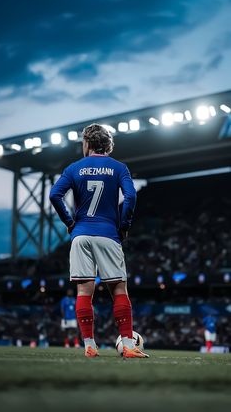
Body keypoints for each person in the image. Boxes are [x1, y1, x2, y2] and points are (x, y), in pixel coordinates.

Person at [50, 123, 149, 358]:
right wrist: (124, 226)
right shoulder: (118, 167)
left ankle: (89, 346)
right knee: (118, 288)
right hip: (108, 234)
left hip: (81, 234)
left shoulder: (74, 168)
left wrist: (70, 222)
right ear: (108, 145)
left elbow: (55, 194)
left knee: (84, 290)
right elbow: (131, 196)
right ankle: (127, 345)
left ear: (87, 143)